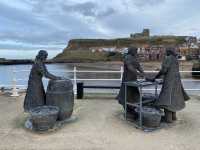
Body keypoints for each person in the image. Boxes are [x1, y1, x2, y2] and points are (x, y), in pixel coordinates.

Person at [150, 47, 190, 123]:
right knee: (174, 99)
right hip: (177, 82)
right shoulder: (175, 59)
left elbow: (164, 70)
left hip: (169, 82)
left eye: (166, 51)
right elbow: (171, 71)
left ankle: (168, 119)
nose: (165, 53)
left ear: (169, 52)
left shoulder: (168, 58)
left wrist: (155, 77)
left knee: (166, 99)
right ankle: (173, 117)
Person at [117, 46, 145, 119]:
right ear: (131, 51)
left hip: (133, 79)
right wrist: (139, 74)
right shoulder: (127, 57)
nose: (136, 52)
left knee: (134, 95)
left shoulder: (135, 57)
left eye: (136, 50)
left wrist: (143, 73)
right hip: (127, 79)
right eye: (135, 51)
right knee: (125, 95)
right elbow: (130, 67)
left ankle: (132, 109)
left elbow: (138, 66)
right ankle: (127, 111)